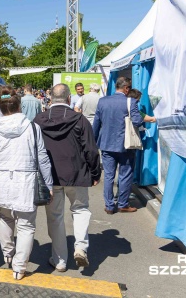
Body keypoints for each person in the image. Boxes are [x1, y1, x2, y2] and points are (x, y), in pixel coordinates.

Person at [0, 87, 53, 280]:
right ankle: (20, 266)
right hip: (26, 180)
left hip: (1, 179)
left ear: (0, 107)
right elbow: (42, 158)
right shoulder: (32, 127)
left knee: (5, 217)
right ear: (19, 106)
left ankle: (7, 254)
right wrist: (48, 183)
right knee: (26, 225)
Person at [34, 83, 101, 271]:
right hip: (77, 173)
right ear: (69, 99)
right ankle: (80, 246)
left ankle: (60, 260)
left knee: (55, 217)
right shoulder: (79, 119)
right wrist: (95, 173)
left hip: (49, 177)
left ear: (50, 99)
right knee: (80, 210)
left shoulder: (39, 120)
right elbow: (91, 149)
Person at [93, 77, 155, 214]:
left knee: (108, 176)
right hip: (125, 145)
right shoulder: (130, 102)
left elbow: (96, 123)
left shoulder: (102, 101)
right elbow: (138, 121)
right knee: (125, 175)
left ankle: (109, 206)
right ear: (126, 88)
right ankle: (122, 204)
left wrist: (94, 140)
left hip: (106, 144)